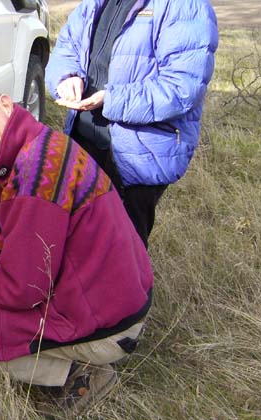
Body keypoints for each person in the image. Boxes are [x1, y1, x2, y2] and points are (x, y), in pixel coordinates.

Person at [0, 78, 153, 412]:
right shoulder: (40, 142)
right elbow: (17, 240)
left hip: (106, 324)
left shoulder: (32, 180)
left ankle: (80, 373)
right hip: (121, 292)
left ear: (4, 103)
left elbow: (24, 290)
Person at [45, 0, 219, 247]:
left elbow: (182, 87)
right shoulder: (94, 3)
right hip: (83, 140)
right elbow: (67, 48)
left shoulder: (184, 6)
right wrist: (66, 76)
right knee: (79, 242)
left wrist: (111, 99)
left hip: (139, 152)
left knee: (124, 254)